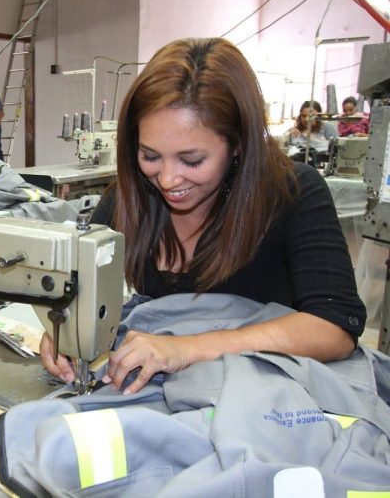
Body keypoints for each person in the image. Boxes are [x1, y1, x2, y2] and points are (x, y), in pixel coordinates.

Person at [39, 37, 365, 395]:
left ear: (238, 143)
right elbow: (80, 296)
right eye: (150, 155)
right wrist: (65, 332)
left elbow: (335, 329)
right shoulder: (127, 199)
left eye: (192, 160)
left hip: (261, 402)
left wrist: (186, 348)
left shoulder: (291, 194)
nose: (167, 179)